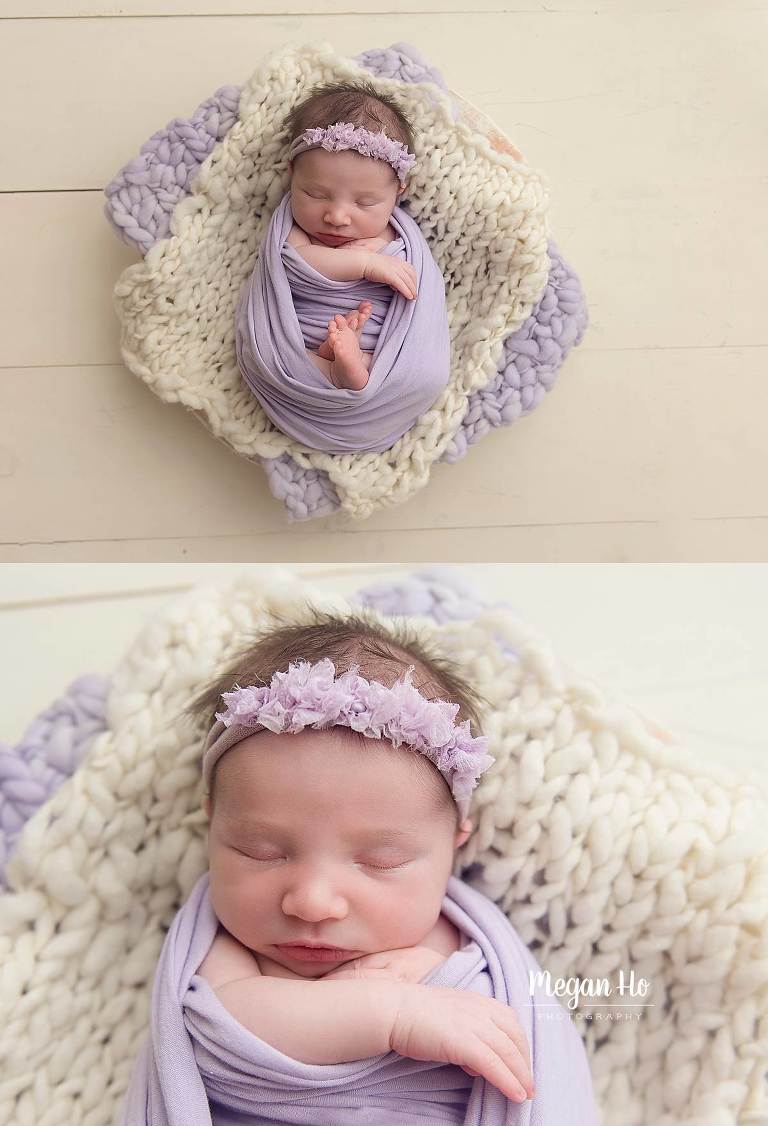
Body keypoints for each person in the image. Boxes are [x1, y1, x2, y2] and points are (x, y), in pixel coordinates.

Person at [119, 610, 599, 1124]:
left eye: (380, 861)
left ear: (456, 845)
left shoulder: (474, 948)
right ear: (212, 821)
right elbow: (224, 1029)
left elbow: (517, 1046)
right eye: (261, 851)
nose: (312, 900)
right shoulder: (228, 949)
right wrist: (394, 1013)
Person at [234, 81, 452, 452]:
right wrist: (364, 263)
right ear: (292, 174)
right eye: (314, 194)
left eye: (365, 202)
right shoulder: (295, 232)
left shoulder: (399, 238)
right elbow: (296, 263)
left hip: (382, 346)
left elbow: (419, 299)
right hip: (302, 341)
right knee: (263, 356)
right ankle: (332, 370)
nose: (335, 216)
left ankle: (356, 369)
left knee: (428, 374)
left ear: (400, 190)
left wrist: (385, 261)